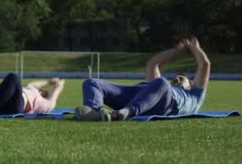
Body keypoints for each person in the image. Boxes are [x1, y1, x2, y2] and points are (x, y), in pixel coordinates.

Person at [74, 36, 210, 121]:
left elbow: (204, 64)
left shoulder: (194, 96)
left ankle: (125, 113)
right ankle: (94, 113)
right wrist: (177, 51)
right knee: (92, 82)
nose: (177, 79)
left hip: (164, 105)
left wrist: (195, 48)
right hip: (136, 96)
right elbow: (153, 63)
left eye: (181, 78)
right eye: (176, 78)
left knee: (162, 83)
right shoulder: (158, 85)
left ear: (191, 84)